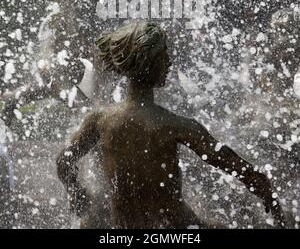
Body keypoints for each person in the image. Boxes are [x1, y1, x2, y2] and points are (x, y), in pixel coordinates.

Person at [57, 21, 285, 229]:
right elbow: (238, 167)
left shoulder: (99, 121)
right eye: (164, 54)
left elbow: (64, 161)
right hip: (174, 228)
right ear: (150, 61)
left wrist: (76, 193)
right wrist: (272, 203)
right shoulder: (175, 125)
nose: (169, 61)